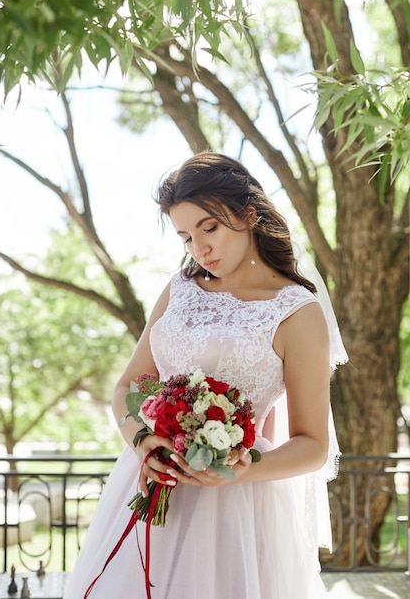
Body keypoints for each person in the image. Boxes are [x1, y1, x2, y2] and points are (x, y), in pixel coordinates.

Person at [64, 151, 347, 599]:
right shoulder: (178, 290)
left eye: (209, 228)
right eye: (185, 237)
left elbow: (313, 445)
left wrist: (239, 470)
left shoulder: (296, 311)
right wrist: (142, 441)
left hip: (239, 508)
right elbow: (125, 389)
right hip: (153, 483)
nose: (200, 249)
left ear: (249, 214)